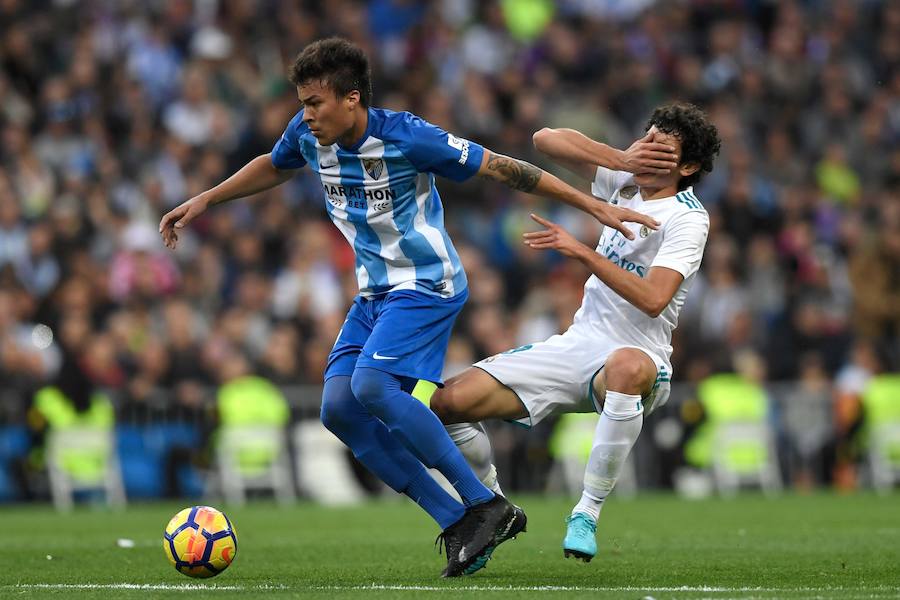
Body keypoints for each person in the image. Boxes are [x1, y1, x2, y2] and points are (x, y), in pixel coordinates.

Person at [159, 37, 660, 577]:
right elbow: (273, 165)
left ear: (352, 99)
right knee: (339, 410)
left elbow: (503, 168)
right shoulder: (306, 135)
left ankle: (486, 504)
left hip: (427, 284)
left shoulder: (407, 136)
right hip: (373, 293)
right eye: (302, 103)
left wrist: (593, 205)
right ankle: (457, 519)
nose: (306, 115)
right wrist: (207, 198)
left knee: (372, 388)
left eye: (315, 103)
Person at [431, 102, 720, 563]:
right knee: (446, 403)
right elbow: (544, 139)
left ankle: (587, 512)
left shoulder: (689, 218)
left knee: (625, 365)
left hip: (638, 356)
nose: (646, 153)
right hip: (577, 345)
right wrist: (622, 158)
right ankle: (491, 507)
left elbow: (652, 299)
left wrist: (584, 253)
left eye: (660, 151)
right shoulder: (621, 181)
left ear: (687, 167)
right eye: (645, 140)